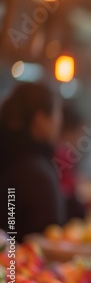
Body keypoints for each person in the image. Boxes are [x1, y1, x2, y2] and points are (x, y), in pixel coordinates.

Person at [0, 82, 66, 242]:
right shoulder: (35, 172)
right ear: (40, 119)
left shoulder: (11, 156)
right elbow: (50, 236)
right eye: (57, 112)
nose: (60, 121)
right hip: (20, 264)